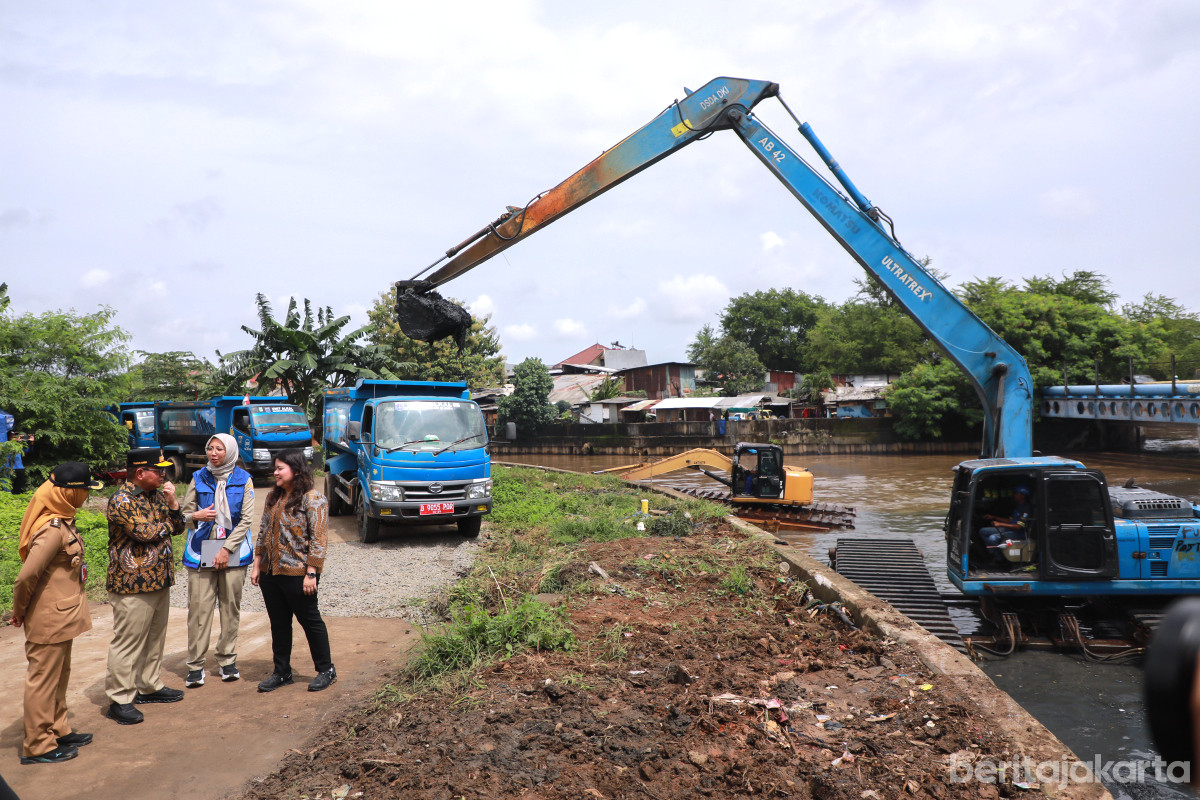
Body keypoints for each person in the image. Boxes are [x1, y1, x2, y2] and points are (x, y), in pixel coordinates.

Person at [11, 463, 103, 764]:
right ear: (69, 492)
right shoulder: (50, 530)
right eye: (84, 489)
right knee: (43, 680)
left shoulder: (63, 521)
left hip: (61, 616)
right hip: (48, 619)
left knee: (59, 676)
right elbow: (26, 577)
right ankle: (38, 745)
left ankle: (58, 728)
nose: (87, 494)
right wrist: (19, 611)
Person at [104, 448, 186, 725]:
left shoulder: (157, 496)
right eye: (158, 469)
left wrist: (173, 503)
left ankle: (149, 685)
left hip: (158, 579)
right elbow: (143, 533)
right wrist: (164, 523)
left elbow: (177, 527)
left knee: (154, 637)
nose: (164, 473)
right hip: (131, 583)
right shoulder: (121, 500)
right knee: (128, 642)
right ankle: (120, 698)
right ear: (140, 473)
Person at [251, 449, 336, 693]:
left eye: (280, 468)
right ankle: (282, 671)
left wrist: (312, 572)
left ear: (296, 470)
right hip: (270, 572)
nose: (275, 472)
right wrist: (258, 564)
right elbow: (263, 530)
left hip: (299, 573)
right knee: (278, 623)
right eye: (275, 468)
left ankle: (326, 669)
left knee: (309, 620)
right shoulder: (273, 497)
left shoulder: (313, 499)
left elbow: (319, 539)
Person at [180, 433, 255, 688]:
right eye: (210, 449)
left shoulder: (244, 480)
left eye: (219, 449)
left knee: (229, 606)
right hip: (202, 549)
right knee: (199, 609)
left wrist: (227, 549)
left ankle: (227, 660)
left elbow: (246, 520)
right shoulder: (198, 477)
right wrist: (196, 516)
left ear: (231, 452)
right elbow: (184, 514)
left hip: (232, 549)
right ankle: (195, 665)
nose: (213, 454)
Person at [979, 485, 1033, 561]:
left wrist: (1000, 524)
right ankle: (993, 553)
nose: (1015, 495)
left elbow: (1018, 527)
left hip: (1018, 534)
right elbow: (1011, 520)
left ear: (1023, 495)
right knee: (983, 531)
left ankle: (999, 559)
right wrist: (993, 517)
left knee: (992, 538)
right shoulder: (1019, 506)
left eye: (1017, 493)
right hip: (1010, 529)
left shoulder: (1026, 509)